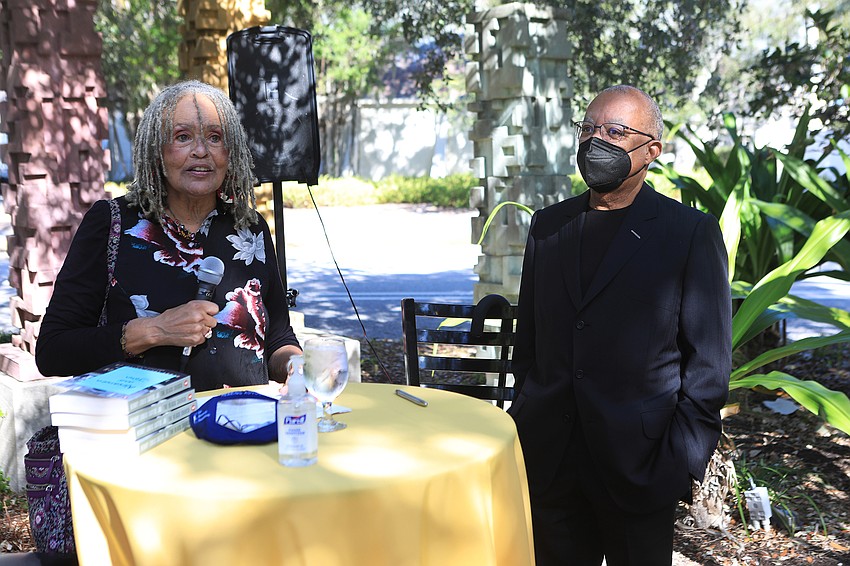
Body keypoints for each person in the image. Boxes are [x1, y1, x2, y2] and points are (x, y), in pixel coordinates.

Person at [510, 84, 732, 565]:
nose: (597, 142)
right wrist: (528, 412)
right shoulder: (549, 226)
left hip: (642, 467)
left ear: (651, 150)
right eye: (589, 129)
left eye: (615, 131)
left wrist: (680, 463)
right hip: (551, 461)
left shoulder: (688, 233)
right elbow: (528, 340)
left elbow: (709, 366)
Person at [36, 80, 302, 391]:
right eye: (183, 137)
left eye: (215, 138)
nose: (201, 151)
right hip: (147, 432)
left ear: (231, 153)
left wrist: (297, 367)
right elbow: (52, 351)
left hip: (241, 427)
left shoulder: (251, 227)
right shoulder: (112, 223)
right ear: (157, 149)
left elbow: (278, 339)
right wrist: (154, 330)